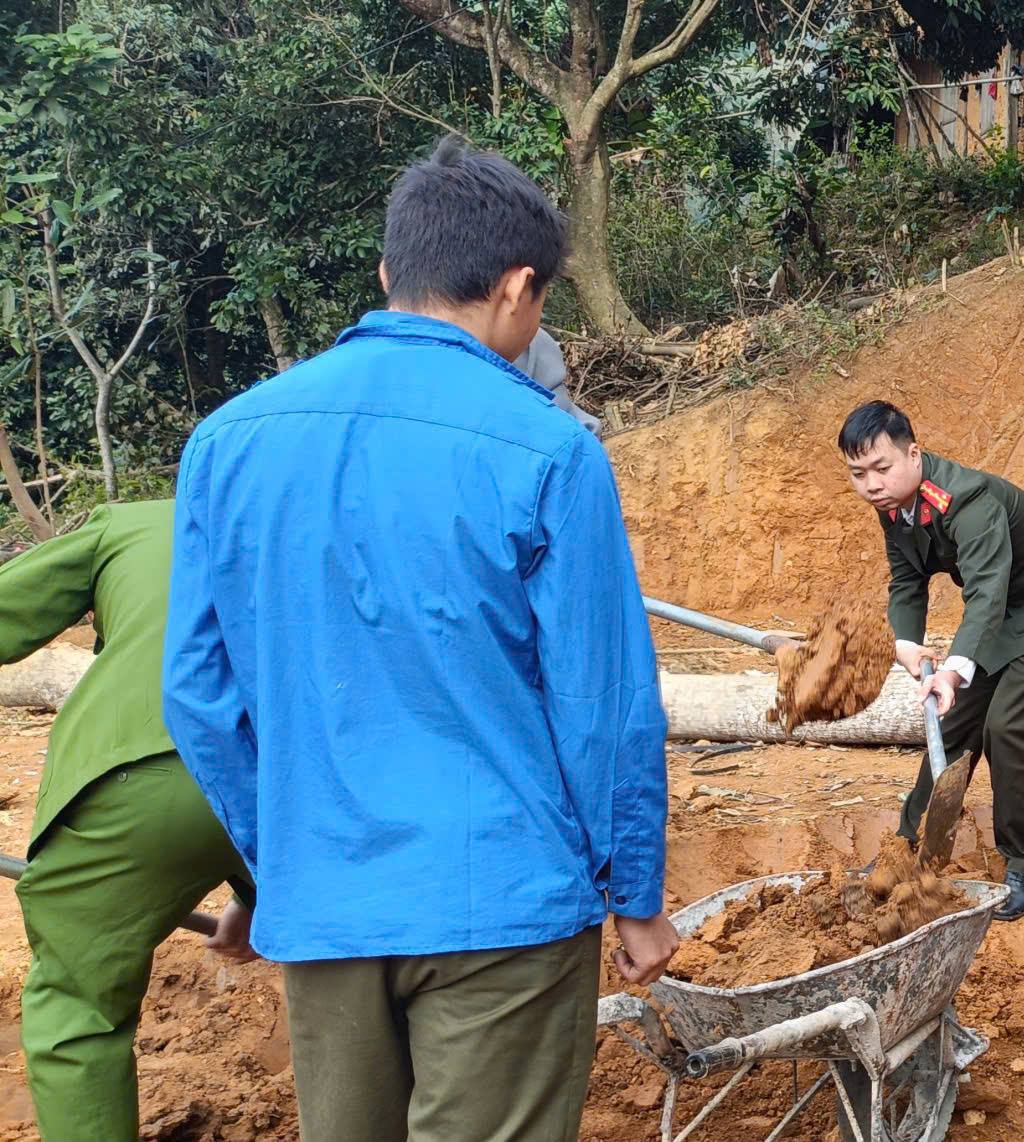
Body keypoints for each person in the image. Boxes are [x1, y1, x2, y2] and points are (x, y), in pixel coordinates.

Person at [163, 136, 676, 1142]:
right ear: (520, 288)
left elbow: (197, 692)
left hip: (331, 903)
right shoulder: (550, 448)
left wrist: (282, 860)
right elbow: (604, 705)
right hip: (505, 902)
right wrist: (637, 891)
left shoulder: (226, 441)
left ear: (391, 271)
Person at [1, 501, 256, 1141]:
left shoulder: (132, 520)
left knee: (77, 1006)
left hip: (142, 767)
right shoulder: (313, 516)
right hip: (305, 782)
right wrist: (256, 897)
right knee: (347, 973)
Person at [842, 401, 1024, 921]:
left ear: (914, 454)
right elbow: (907, 578)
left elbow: (985, 593)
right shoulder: (894, 503)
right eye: (858, 473)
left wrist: (955, 669)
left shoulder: (969, 500)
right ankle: (908, 851)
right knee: (952, 721)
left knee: (1008, 728)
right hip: (1000, 604)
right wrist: (906, 642)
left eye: (882, 467)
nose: (871, 483)